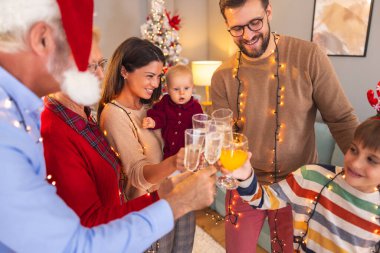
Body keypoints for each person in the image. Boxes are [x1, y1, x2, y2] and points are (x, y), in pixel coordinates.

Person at [0, 1, 217, 252]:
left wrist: (164, 196)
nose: (100, 75)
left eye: (98, 64)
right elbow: (77, 243)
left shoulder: (67, 114)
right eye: (86, 62)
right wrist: (174, 202)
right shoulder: (21, 132)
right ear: (42, 40)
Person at [211, 0, 359, 252]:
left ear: (268, 12)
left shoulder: (309, 56)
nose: (247, 36)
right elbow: (223, 138)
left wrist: (366, 172)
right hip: (244, 186)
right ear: (227, 25)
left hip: (299, 188)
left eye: (255, 23)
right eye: (237, 28)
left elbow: (341, 119)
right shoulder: (222, 76)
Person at [40, 28, 159, 228]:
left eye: (101, 64)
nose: (102, 74)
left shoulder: (83, 113)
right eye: (90, 67)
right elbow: (89, 222)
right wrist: (165, 199)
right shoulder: (54, 132)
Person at [98, 37, 198, 253]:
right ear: (124, 72)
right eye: (149, 76)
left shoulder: (153, 107)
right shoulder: (114, 114)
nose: (155, 84)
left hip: (178, 193)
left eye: (159, 76)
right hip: (149, 210)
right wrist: (175, 162)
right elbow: (137, 173)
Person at [230, 114, 380, 252]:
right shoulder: (312, 177)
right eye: (353, 150)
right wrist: (245, 175)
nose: (356, 163)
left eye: (371, 160)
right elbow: (263, 199)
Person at [142, 64, 203, 160]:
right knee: (169, 172)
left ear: (192, 87)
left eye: (186, 88)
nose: (182, 93)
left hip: (188, 152)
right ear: (167, 90)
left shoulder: (195, 107)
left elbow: (201, 126)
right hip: (169, 153)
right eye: (176, 89)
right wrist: (153, 121)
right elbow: (158, 115)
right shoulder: (165, 103)